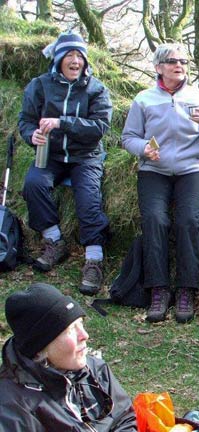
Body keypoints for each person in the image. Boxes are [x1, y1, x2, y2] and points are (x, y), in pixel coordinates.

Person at [122, 43, 199, 324]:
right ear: (158, 68)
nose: (179, 64)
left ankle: (186, 291)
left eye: (182, 60)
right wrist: (143, 148)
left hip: (192, 170)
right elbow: (127, 137)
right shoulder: (143, 99)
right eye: (171, 61)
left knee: (188, 220)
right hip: (154, 170)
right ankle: (158, 290)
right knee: (155, 219)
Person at [18, 31, 113, 295]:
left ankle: (94, 259)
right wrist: (31, 135)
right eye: (69, 55)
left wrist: (62, 122)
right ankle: (54, 241)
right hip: (50, 155)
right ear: (59, 59)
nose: (75, 61)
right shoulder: (39, 85)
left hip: (86, 156)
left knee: (88, 201)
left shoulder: (96, 89)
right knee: (33, 184)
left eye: (79, 56)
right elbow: (25, 120)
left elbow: (100, 127)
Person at [0, 283, 137, 431]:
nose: (84, 335)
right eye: (70, 330)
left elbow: (124, 418)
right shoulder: (11, 408)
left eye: (81, 324)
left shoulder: (95, 370)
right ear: (40, 348)